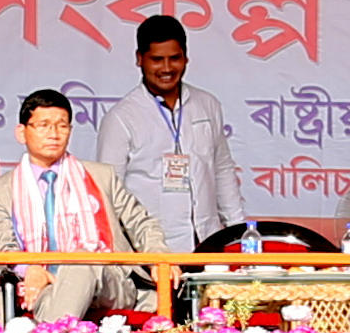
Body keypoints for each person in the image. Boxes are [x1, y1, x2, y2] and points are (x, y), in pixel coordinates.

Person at [0, 89, 164, 321]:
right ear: (22, 132)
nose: (54, 134)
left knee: (79, 260)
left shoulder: (101, 176)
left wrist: (160, 258)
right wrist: (30, 270)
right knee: (48, 294)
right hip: (40, 284)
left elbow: (141, 223)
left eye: (62, 125)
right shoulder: (1, 190)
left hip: (107, 281)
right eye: (43, 125)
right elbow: (4, 248)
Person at [89, 15, 245, 244]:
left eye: (175, 58)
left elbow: (222, 170)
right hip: (153, 248)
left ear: (186, 58)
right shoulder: (121, 118)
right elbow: (109, 193)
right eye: (157, 59)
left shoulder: (207, 104)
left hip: (208, 241)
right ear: (140, 59)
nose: (167, 68)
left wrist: (238, 233)